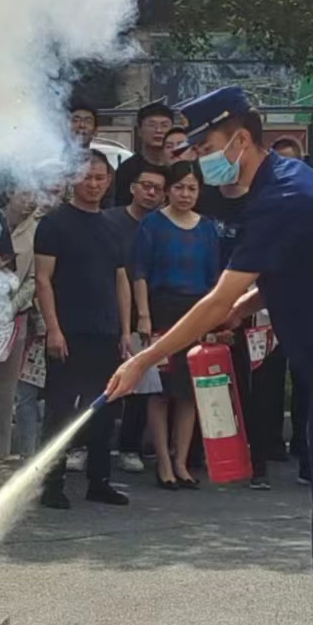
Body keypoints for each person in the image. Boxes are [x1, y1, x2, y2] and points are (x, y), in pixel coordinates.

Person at [107, 87, 313, 625]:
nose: (205, 163)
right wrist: (244, 304)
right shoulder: (288, 180)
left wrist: (146, 359)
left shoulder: (282, 198)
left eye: (209, 147)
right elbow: (283, 274)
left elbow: (214, 298)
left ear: (241, 139)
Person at [33, 151, 134, 511]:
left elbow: (121, 280)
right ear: (74, 179)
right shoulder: (54, 224)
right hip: (69, 332)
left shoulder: (113, 226)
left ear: (109, 182)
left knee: (104, 410)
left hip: (106, 332)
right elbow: (43, 280)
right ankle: (52, 483)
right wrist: (53, 329)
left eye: (100, 178)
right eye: (87, 177)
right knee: (61, 410)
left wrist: (125, 330)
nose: (93, 184)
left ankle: (100, 480)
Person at [131, 161, 225, 489]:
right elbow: (139, 272)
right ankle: (164, 462)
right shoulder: (153, 225)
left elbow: (216, 280)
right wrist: (143, 315)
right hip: (161, 310)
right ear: (168, 189)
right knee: (160, 391)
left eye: (192, 188)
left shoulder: (208, 228)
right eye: (179, 187)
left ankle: (183, 461)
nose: (185, 194)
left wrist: (215, 319)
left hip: (196, 311)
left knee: (189, 391)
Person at [113, 162, 170, 472]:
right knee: (102, 382)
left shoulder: (163, 225)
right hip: (110, 311)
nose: (151, 192)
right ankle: (83, 444)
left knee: (141, 382)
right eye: (145, 186)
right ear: (132, 187)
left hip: (148, 315)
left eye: (158, 189)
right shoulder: (112, 220)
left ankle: (129, 446)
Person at [0, 189, 44, 465]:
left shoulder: (39, 230)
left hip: (15, 316)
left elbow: (34, 277)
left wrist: (10, 306)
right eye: (25, 191)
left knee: (5, 391)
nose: (31, 199)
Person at [110, 101, 177, 208]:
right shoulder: (127, 169)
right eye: (152, 125)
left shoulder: (180, 167)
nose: (158, 130)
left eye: (164, 125)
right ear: (140, 131)